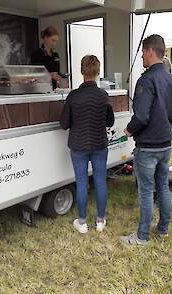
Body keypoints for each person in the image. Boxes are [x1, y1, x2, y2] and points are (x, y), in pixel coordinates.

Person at [121, 34, 172, 245]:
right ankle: (163, 229)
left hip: (148, 147)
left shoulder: (146, 79)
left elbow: (142, 116)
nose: (142, 57)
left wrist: (129, 129)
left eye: (143, 52)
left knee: (146, 192)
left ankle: (142, 237)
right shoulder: (171, 79)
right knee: (163, 186)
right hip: (166, 143)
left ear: (150, 51)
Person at [60, 55, 114, 234]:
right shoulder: (103, 95)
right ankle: (100, 221)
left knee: (82, 182)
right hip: (99, 144)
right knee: (100, 181)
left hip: (78, 145)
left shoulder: (73, 96)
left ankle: (82, 223)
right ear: (98, 72)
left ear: (82, 71)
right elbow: (110, 122)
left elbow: (64, 124)